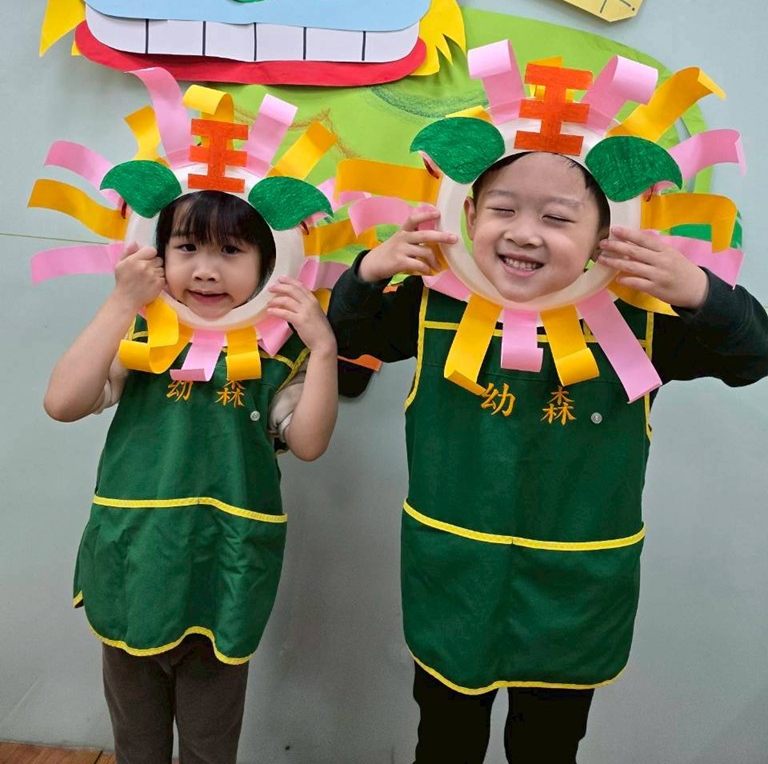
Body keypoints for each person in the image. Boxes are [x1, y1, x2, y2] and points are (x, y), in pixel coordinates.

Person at [327, 150, 768, 764]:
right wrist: (368, 273)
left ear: (604, 234)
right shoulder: (431, 305)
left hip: (573, 591)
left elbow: (752, 358)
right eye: (502, 210)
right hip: (456, 578)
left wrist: (700, 292)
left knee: (548, 746)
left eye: (558, 218)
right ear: (469, 214)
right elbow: (346, 336)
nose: (524, 233)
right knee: (446, 740)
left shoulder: (641, 322)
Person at [45, 189, 339, 764]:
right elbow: (62, 402)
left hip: (223, 575)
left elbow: (307, 443)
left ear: (268, 261)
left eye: (230, 250)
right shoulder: (140, 339)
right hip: (134, 568)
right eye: (186, 248)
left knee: (209, 746)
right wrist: (121, 302)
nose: (206, 270)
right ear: (158, 254)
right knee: (137, 742)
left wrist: (323, 349)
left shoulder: (280, 355)